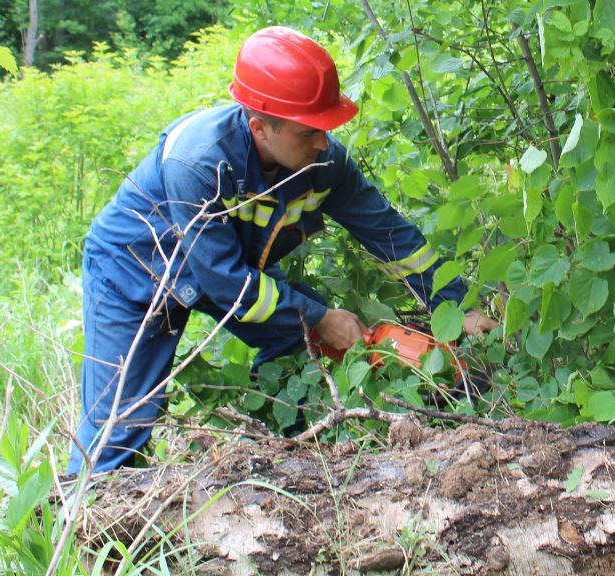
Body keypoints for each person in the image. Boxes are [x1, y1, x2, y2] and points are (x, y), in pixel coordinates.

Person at [68, 26, 497, 473]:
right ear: (260, 128)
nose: (322, 142)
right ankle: (84, 520)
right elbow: (226, 282)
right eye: (308, 131)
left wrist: (456, 306)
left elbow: (390, 236)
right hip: (135, 271)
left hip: (226, 273)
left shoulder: (323, 161)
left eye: (326, 128)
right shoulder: (197, 163)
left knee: (300, 349)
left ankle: (285, 460)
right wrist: (318, 317)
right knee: (119, 428)